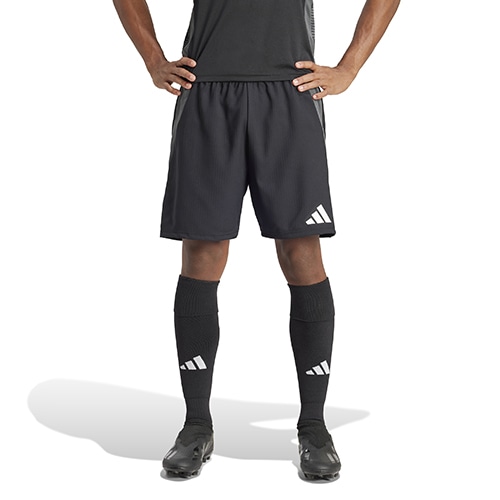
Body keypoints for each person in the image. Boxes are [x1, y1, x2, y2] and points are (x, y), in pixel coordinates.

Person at [112, 0, 399, 481]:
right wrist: (153, 59)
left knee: (301, 252)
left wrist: (349, 67)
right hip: (207, 91)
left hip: (289, 92)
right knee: (203, 252)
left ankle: (314, 428)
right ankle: (196, 425)